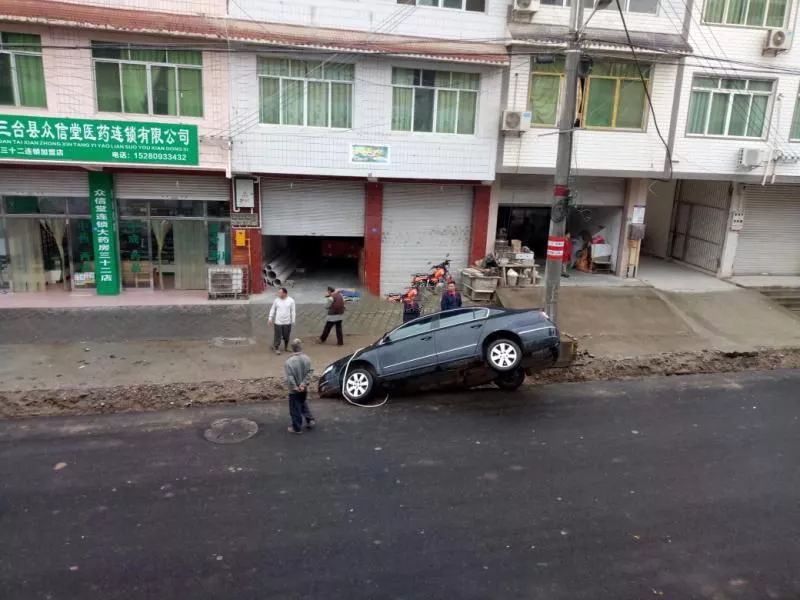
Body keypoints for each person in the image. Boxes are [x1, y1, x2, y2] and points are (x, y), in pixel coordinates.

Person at [284, 339, 314, 434]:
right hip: (304, 388)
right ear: (301, 347)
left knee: (295, 408)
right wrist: (303, 384)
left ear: (292, 348)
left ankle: (297, 427)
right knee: (302, 402)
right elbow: (310, 372)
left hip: (294, 390)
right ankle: (310, 419)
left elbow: (290, 377)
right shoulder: (307, 359)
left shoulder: (288, 362)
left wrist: (295, 387)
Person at [268, 287, 295, 355]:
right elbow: (272, 309)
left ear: (285, 293)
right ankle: (276, 348)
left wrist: (293, 320)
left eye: (280, 293)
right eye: (278, 292)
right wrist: (270, 318)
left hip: (287, 322)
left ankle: (286, 347)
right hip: (278, 322)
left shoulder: (291, 300)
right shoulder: (276, 300)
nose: (278, 294)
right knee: (278, 336)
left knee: (286, 335)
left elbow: (293, 311)